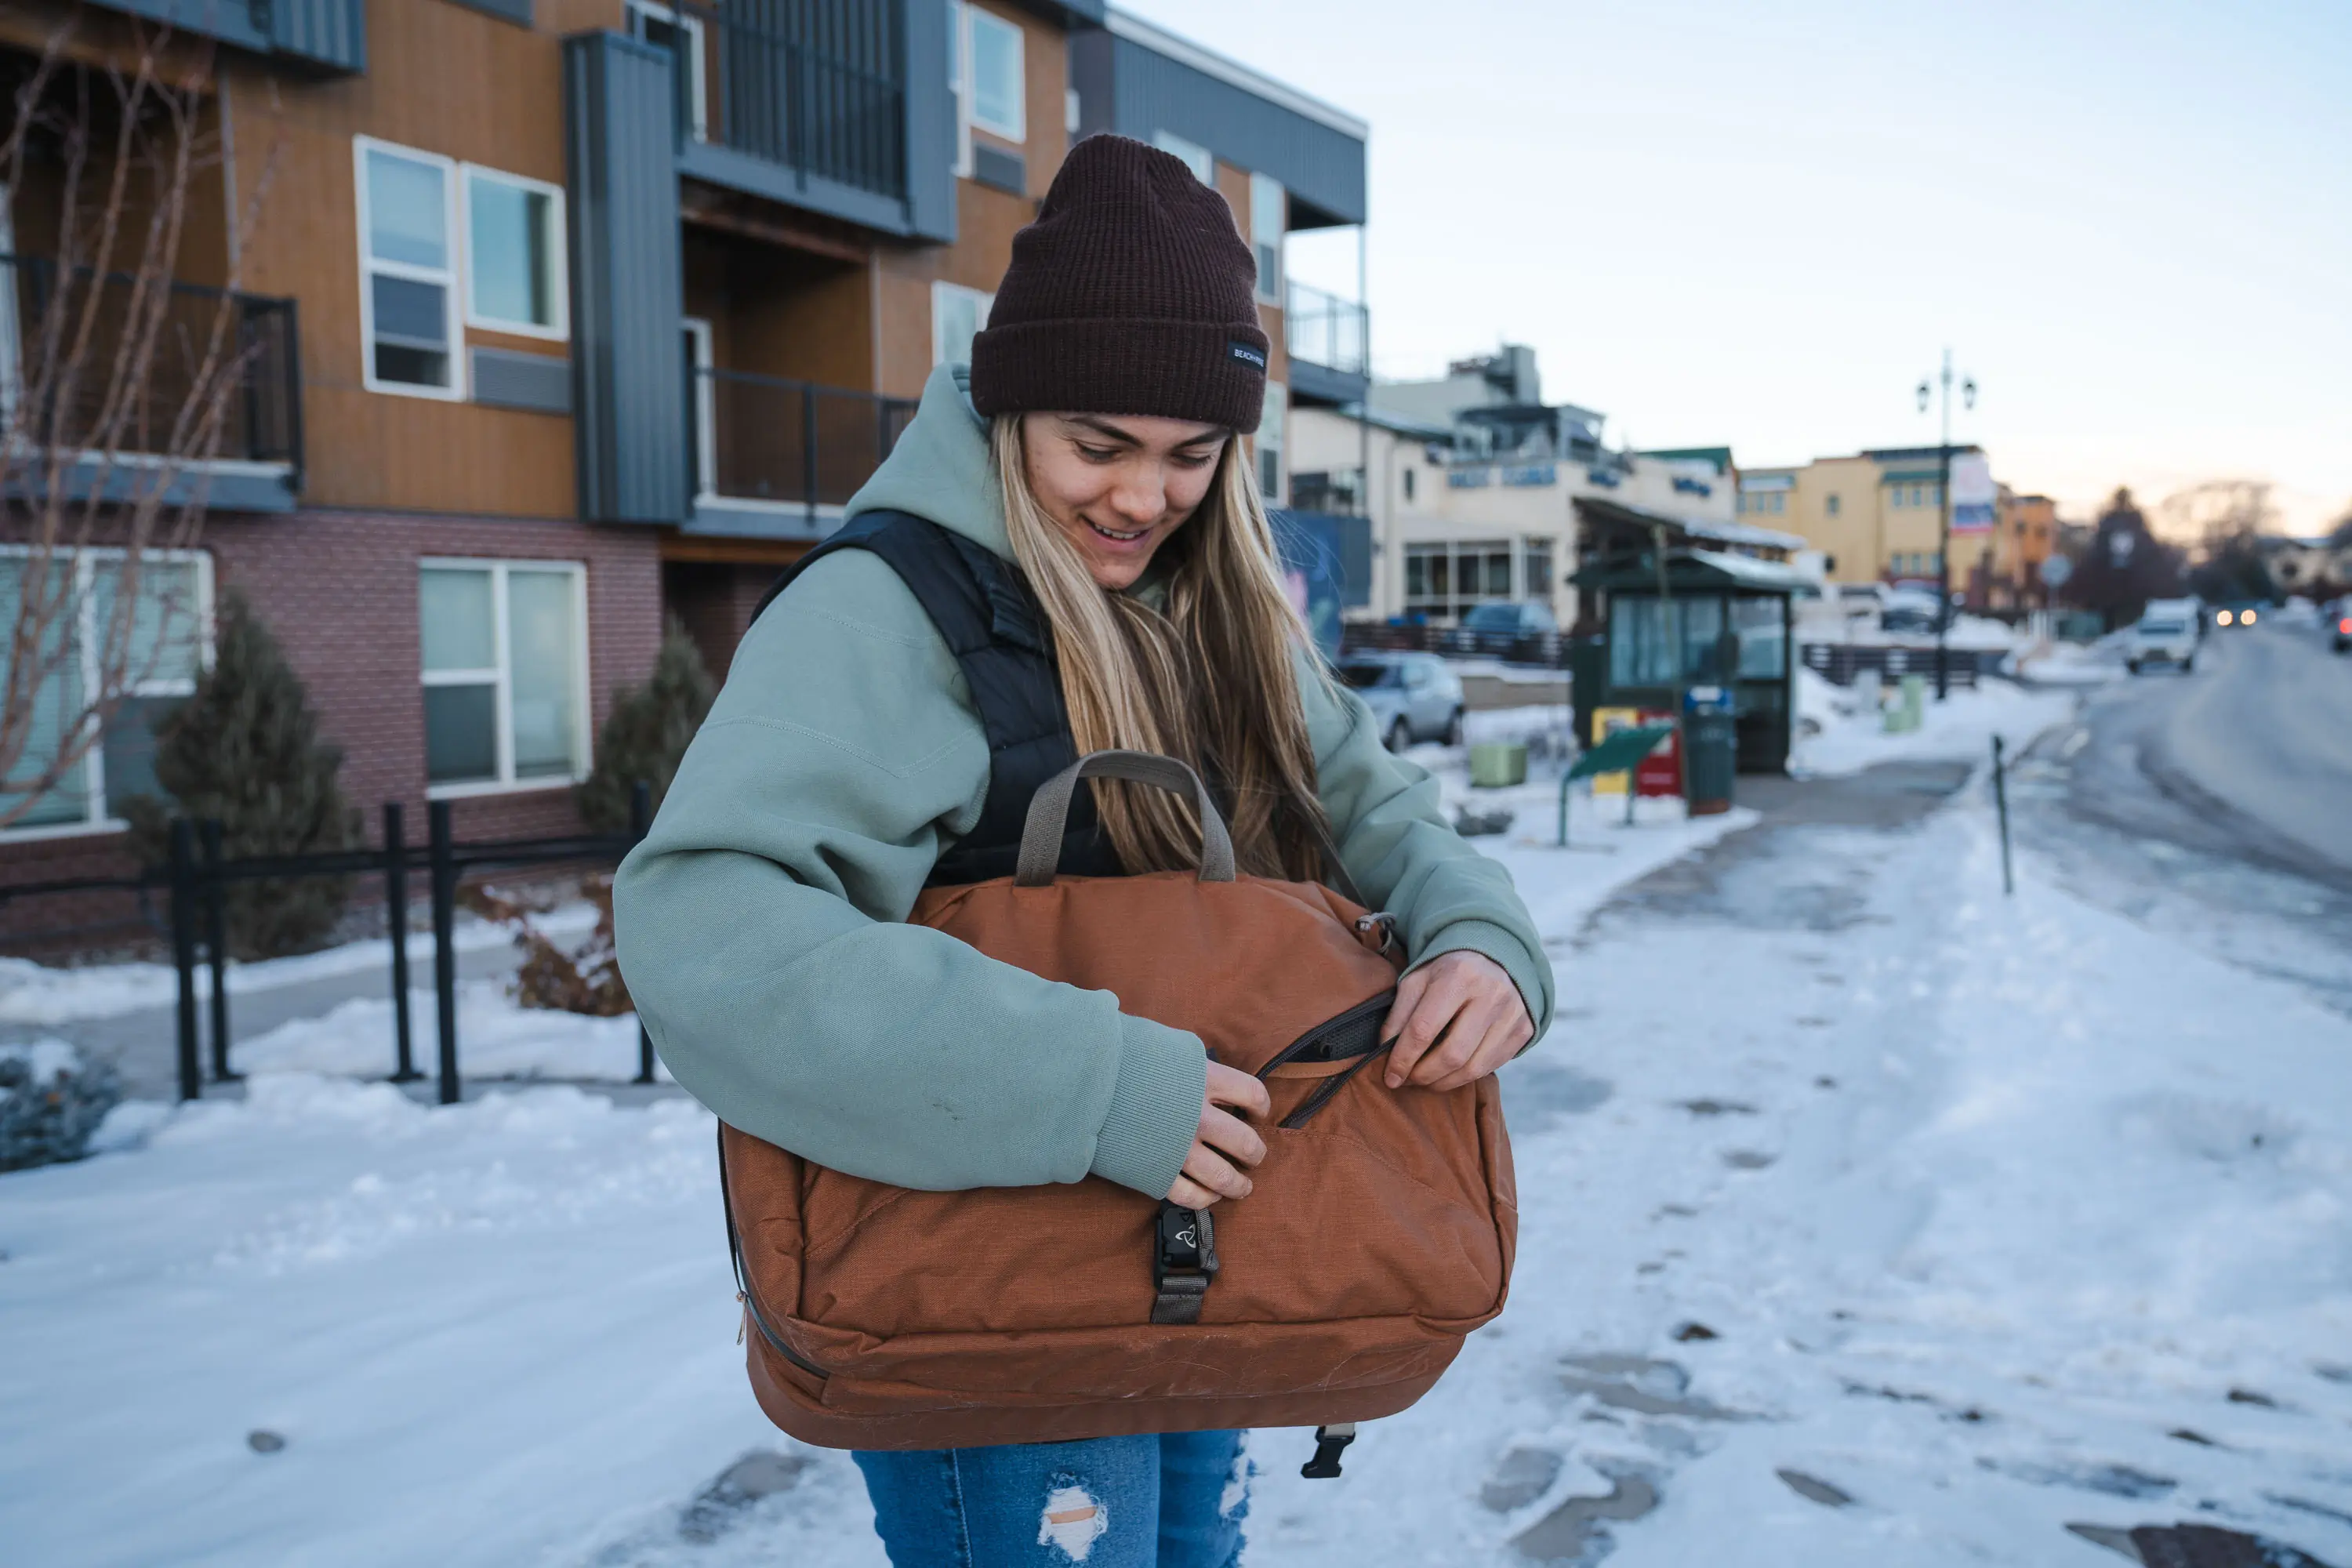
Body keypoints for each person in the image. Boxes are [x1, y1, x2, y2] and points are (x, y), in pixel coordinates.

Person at [614, 134, 1552, 1568]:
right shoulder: (889, 610)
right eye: (1096, 447)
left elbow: (1379, 807)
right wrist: (1102, 1086)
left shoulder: (1208, 605)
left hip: (1194, 1254)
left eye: (1191, 457)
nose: (1141, 498)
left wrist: (1483, 940)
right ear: (1005, 412)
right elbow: (710, 932)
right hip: (997, 1284)